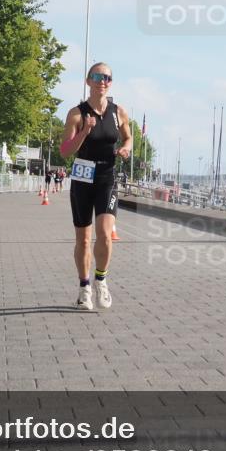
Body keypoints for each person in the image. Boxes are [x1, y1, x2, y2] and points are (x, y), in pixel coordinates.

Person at [59, 63, 132, 310]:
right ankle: (84, 287)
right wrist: (84, 132)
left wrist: (126, 148)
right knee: (83, 238)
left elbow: (129, 137)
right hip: (82, 177)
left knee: (104, 233)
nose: (103, 80)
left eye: (107, 77)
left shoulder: (118, 112)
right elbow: (65, 150)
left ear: (111, 82)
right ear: (88, 81)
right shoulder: (76, 114)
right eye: (97, 76)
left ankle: (101, 280)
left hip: (106, 177)